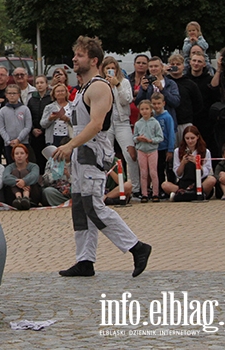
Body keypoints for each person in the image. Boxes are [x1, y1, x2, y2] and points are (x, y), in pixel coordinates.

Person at [54, 36, 151, 278]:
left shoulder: (99, 87)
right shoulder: (83, 88)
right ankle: (85, 260)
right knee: (80, 208)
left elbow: (96, 125)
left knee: (93, 206)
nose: (74, 59)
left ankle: (136, 247)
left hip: (93, 153)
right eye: (75, 54)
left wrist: (70, 145)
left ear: (94, 60)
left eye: (80, 55)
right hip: (81, 153)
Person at [101, 56, 139, 198]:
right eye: (107, 68)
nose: (110, 71)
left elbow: (127, 100)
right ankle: (108, 187)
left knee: (130, 155)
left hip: (122, 121)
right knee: (107, 155)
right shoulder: (100, 83)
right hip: (106, 123)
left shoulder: (124, 82)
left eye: (113, 68)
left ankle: (135, 188)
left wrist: (117, 85)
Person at [163, 125, 216, 201]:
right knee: (165, 185)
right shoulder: (177, 151)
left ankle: (184, 195)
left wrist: (196, 163)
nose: (190, 141)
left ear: (197, 137)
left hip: (199, 182)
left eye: (192, 138)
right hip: (184, 182)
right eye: (187, 138)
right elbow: (178, 174)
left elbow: (206, 171)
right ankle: (193, 194)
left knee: (211, 180)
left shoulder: (205, 151)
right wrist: (183, 163)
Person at [166, 53, 203, 147]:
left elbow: (198, 104)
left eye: (178, 64)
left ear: (183, 66)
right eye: (172, 64)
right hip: (169, 122)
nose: (175, 67)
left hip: (185, 123)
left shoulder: (190, 84)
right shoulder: (164, 83)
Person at [135, 56, 180, 123]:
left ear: (161, 66)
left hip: (167, 121)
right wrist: (143, 90)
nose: (153, 69)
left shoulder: (170, 83)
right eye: (151, 67)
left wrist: (162, 89)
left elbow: (175, 102)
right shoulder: (146, 83)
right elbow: (138, 103)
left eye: (156, 66)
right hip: (150, 122)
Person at [134, 99, 162, 202]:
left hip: (152, 150)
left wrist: (151, 140)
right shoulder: (138, 124)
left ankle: (155, 193)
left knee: (153, 172)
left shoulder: (155, 123)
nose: (144, 111)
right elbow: (134, 137)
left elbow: (160, 137)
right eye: (142, 109)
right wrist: (138, 139)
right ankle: (144, 194)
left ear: (151, 110)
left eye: (146, 109)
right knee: (143, 172)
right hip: (141, 150)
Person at [1, 144, 41, 209]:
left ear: (26, 155)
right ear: (13, 156)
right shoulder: (9, 167)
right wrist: (18, 182)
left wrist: (24, 181)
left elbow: (35, 176)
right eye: (16, 154)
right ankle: (18, 198)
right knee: (15, 172)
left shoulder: (34, 166)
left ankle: (26, 197)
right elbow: (5, 178)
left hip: (32, 195)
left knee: (24, 172)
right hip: (13, 197)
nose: (19, 156)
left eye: (22, 153)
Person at [151, 92, 176, 189]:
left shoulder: (167, 117)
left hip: (165, 147)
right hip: (155, 148)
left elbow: (171, 133)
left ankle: (170, 187)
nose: (156, 106)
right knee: (158, 169)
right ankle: (159, 188)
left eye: (158, 103)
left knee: (169, 169)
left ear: (163, 103)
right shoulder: (152, 117)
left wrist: (170, 149)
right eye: (154, 103)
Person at [27, 75, 51, 173]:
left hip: (46, 132)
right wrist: (32, 129)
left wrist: (43, 129)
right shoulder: (32, 100)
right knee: (36, 157)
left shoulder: (50, 98)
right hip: (34, 134)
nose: (39, 85)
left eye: (42, 83)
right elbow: (28, 116)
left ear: (46, 84)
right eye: (37, 83)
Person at [0, 84, 32, 151]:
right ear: (6, 95)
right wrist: (8, 141)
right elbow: (1, 128)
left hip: (23, 142)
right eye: (9, 93)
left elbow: (28, 126)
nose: (12, 95)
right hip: (9, 143)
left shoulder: (25, 109)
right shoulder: (2, 111)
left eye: (14, 93)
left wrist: (19, 139)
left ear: (19, 94)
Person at [41, 83, 72, 147]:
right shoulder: (49, 107)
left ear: (66, 93)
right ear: (54, 94)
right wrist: (50, 118)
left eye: (62, 91)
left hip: (69, 136)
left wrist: (67, 119)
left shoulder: (72, 106)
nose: (60, 93)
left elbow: (78, 122)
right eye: (58, 91)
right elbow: (43, 124)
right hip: (53, 137)